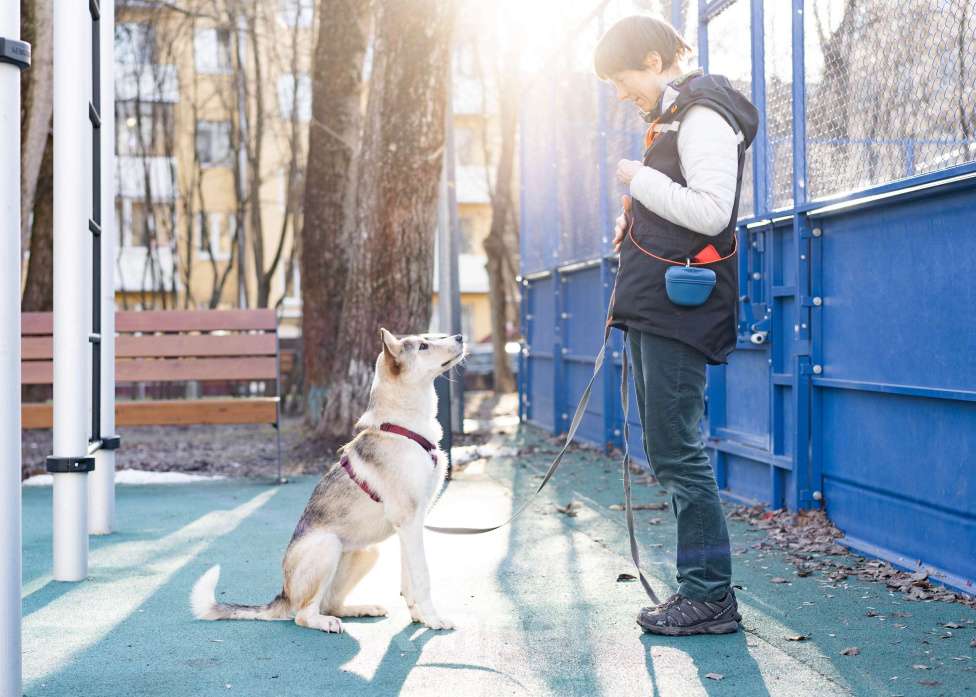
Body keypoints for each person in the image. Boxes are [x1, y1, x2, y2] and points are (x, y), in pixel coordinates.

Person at [593, 15, 758, 635]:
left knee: (678, 451)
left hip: (679, 310)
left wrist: (642, 181)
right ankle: (701, 592)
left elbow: (713, 213)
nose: (619, 92)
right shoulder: (673, 118)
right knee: (670, 448)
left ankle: (710, 597)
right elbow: (679, 213)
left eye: (623, 77)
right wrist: (637, 221)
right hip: (658, 304)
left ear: (657, 61)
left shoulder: (703, 116)